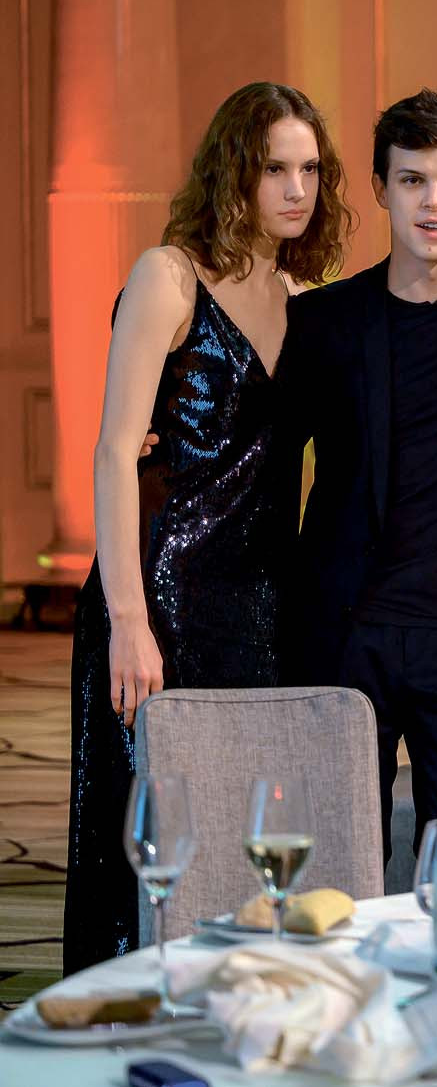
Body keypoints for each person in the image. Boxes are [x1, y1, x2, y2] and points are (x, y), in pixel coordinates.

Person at [66, 82, 352, 972]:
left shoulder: (304, 294)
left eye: (310, 170)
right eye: (275, 169)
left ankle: (236, 1011)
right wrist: (128, 620)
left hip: (263, 601)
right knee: (154, 826)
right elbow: (116, 451)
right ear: (234, 171)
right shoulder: (169, 274)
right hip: (162, 594)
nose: (296, 189)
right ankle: (129, 1013)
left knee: (243, 828)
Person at [277, 89, 437, 865]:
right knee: (334, 863)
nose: (435, 202)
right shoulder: (324, 321)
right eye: (413, 180)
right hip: (345, 633)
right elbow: (267, 466)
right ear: (381, 188)